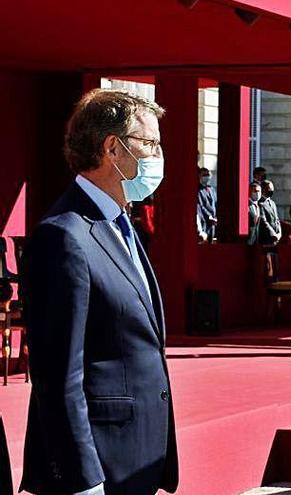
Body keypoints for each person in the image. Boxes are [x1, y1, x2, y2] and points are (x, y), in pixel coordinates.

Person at [20, 89, 178, 495]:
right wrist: (83, 480)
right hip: (99, 467)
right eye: (150, 143)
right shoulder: (64, 235)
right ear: (113, 147)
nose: (158, 156)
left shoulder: (120, 224)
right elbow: (58, 375)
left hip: (138, 459)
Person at [258, 180, 282, 247]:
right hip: (266, 238)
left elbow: (277, 219)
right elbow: (264, 221)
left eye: (272, 188)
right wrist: (273, 234)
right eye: (269, 188)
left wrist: (279, 233)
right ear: (263, 189)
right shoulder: (260, 203)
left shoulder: (272, 203)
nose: (271, 190)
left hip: (276, 238)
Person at [197, 167, 218, 243]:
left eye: (208, 174)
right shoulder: (197, 190)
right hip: (204, 221)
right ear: (199, 176)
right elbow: (200, 206)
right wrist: (209, 216)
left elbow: (215, 203)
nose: (207, 176)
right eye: (204, 175)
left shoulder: (212, 189)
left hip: (213, 223)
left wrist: (216, 216)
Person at [247, 181, 261, 246]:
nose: (257, 193)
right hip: (248, 240)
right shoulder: (247, 205)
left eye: (259, 191)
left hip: (257, 240)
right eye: (255, 191)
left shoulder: (259, 206)